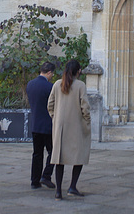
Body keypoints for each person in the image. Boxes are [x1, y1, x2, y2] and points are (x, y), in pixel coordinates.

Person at [47, 59, 91, 200]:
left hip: (60, 127)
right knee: (79, 156)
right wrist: (87, 121)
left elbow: (50, 104)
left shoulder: (57, 84)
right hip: (76, 126)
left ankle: (58, 191)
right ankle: (72, 186)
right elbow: (85, 106)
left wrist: (55, 118)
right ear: (78, 71)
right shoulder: (80, 85)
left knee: (59, 158)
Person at [26, 61, 56, 190]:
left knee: (37, 154)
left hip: (36, 125)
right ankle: (46, 175)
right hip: (48, 126)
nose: (52, 76)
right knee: (53, 152)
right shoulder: (50, 87)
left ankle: (35, 181)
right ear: (49, 72)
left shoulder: (30, 84)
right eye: (52, 74)